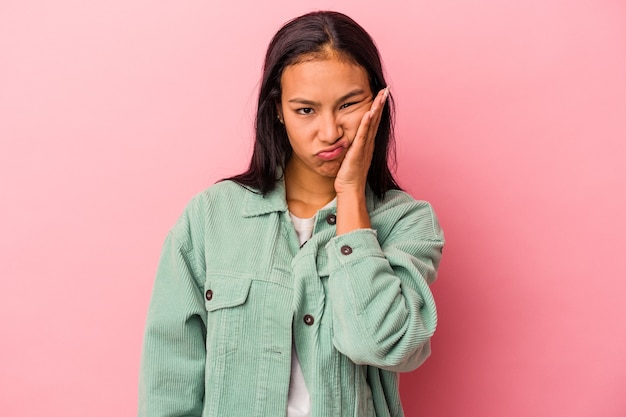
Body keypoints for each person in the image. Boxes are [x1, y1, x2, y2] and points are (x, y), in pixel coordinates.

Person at [139, 10, 444, 417]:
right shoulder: (210, 218)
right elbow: (168, 385)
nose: (330, 131)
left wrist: (351, 195)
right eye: (305, 110)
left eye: (349, 104)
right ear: (277, 110)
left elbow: (381, 344)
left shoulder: (408, 223)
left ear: (377, 100)